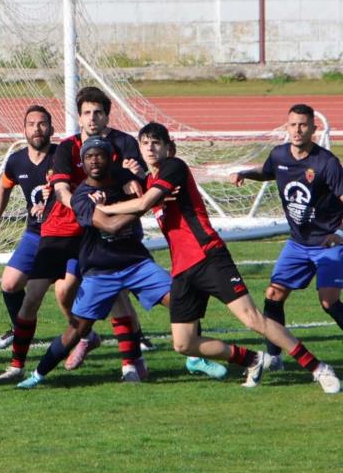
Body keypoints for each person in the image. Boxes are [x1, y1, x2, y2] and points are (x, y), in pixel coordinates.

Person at [97, 121, 340, 393]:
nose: (150, 148)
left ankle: (319, 368)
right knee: (183, 343)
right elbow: (132, 188)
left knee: (253, 319)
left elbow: (143, 203)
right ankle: (252, 360)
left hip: (209, 256)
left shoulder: (174, 167)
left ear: (168, 148)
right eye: (145, 143)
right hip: (182, 268)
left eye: (156, 143)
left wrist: (104, 209)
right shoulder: (149, 180)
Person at [0, 88, 153, 383]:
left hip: (100, 232)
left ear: (107, 116)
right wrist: (84, 208)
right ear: (78, 118)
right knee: (33, 296)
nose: (92, 118)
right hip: (60, 230)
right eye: (86, 113)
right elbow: (61, 189)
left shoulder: (123, 144)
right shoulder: (66, 148)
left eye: (98, 113)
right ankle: (17, 366)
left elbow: (137, 180)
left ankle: (131, 363)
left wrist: (135, 177)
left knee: (115, 292)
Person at [17, 137, 173, 388]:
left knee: (180, 300)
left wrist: (138, 185)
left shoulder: (123, 179)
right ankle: (37, 374)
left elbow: (154, 184)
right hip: (101, 270)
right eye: (89, 157)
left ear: (110, 158)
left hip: (136, 262)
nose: (94, 161)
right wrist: (142, 205)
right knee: (77, 329)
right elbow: (109, 226)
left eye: (99, 155)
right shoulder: (81, 197)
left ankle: (194, 355)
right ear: (82, 162)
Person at [231, 103, 343, 370]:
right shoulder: (279, 155)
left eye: (303, 125)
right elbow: (267, 172)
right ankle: (274, 357)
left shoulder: (327, 163)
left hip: (327, 242)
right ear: (287, 127)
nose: (297, 130)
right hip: (298, 243)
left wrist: (339, 233)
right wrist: (246, 173)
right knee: (273, 294)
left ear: (313, 129)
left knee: (328, 301)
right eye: (293, 124)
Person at [0, 105, 57, 351]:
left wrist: (51, 204)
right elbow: (4, 187)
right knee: (10, 284)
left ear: (51, 129)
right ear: (24, 130)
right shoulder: (16, 161)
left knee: (80, 288)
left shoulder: (62, 156)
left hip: (64, 236)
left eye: (42, 124)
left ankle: (133, 334)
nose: (37, 129)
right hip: (35, 234)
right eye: (31, 124)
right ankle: (19, 330)